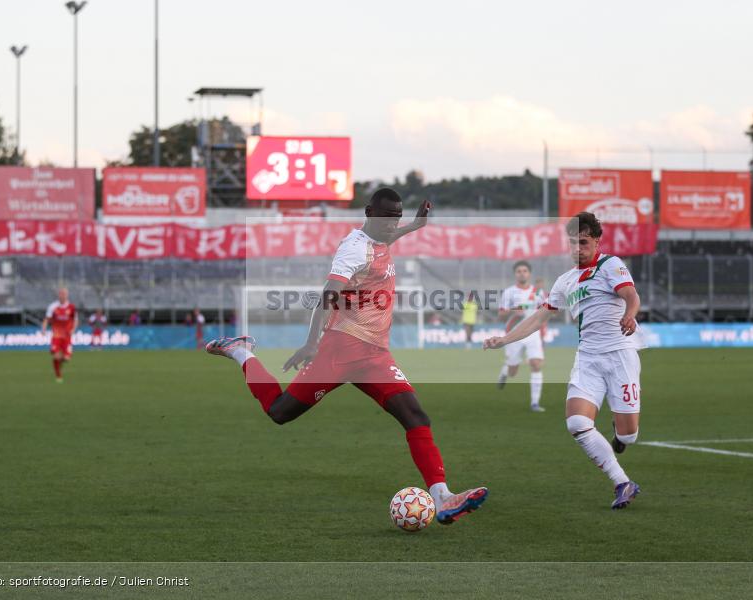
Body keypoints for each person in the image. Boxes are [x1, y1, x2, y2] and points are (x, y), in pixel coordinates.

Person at [205, 188, 488, 524]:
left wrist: (414, 225)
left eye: (396, 216)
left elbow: (387, 238)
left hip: (375, 356)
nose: (390, 223)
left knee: (415, 416)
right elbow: (327, 295)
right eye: (386, 216)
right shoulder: (353, 250)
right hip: (339, 351)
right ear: (369, 212)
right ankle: (241, 351)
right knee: (280, 412)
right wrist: (311, 344)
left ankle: (442, 498)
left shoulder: (379, 237)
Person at [484, 212, 643, 509]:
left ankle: (621, 435)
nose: (577, 249)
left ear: (596, 241)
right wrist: (504, 340)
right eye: (572, 243)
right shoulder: (565, 281)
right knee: (577, 423)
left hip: (620, 355)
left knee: (628, 435)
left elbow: (631, 296)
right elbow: (538, 318)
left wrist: (630, 315)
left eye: (583, 242)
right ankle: (622, 482)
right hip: (588, 359)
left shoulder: (611, 265)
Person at [496, 260, 546, 412]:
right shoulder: (509, 292)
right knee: (513, 371)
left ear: (529, 273)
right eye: (519, 271)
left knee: (536, 364)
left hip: (532, 333)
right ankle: (505, 371)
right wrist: (512, 311)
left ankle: (535, 403)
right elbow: (500, 316)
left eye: (525, 271)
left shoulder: (538, 292)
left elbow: (545, 312)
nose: (522, 273)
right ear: (515, 274)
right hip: (514, 335)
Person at [42, 287, 78, 383]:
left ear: (67, 295)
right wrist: (44, 329)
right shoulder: (53, 307)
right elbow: (47, 319)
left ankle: (58, 366)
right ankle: (58, 376)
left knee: (66, 358)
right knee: (57, 356)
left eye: (64, 294)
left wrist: (73, 330)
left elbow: (75, 320)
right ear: (59, 295)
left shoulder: (71, 307)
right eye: (61, 293)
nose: (62, 295)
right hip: (56, 336)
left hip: (67, 337)